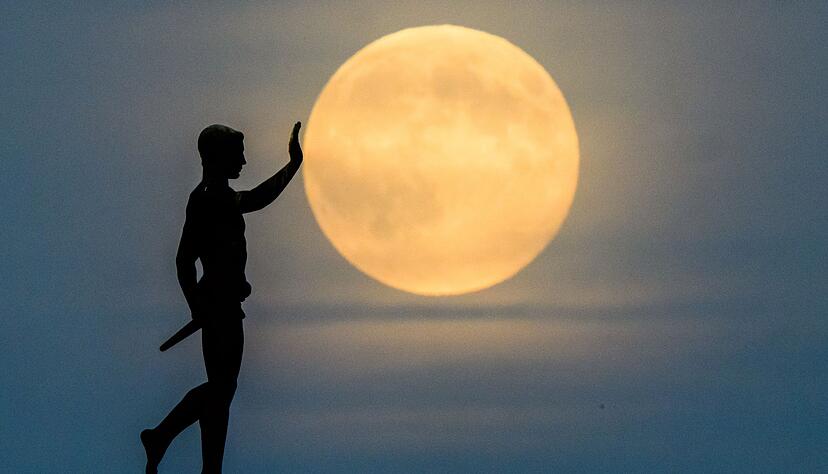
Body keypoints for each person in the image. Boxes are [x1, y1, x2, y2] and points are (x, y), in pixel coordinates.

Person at [141, 122, 304, 473]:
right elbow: (185, 259)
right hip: (220, 307)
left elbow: (186, 258)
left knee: (222, 393)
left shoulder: (213, 198)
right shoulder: (210, 199)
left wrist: (196, 304)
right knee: (221, 389)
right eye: (237, 154)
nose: (244, 161)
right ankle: (161, 436)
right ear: (217, 158)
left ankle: (207, 466)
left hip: (224, 306)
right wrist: (197, 306)